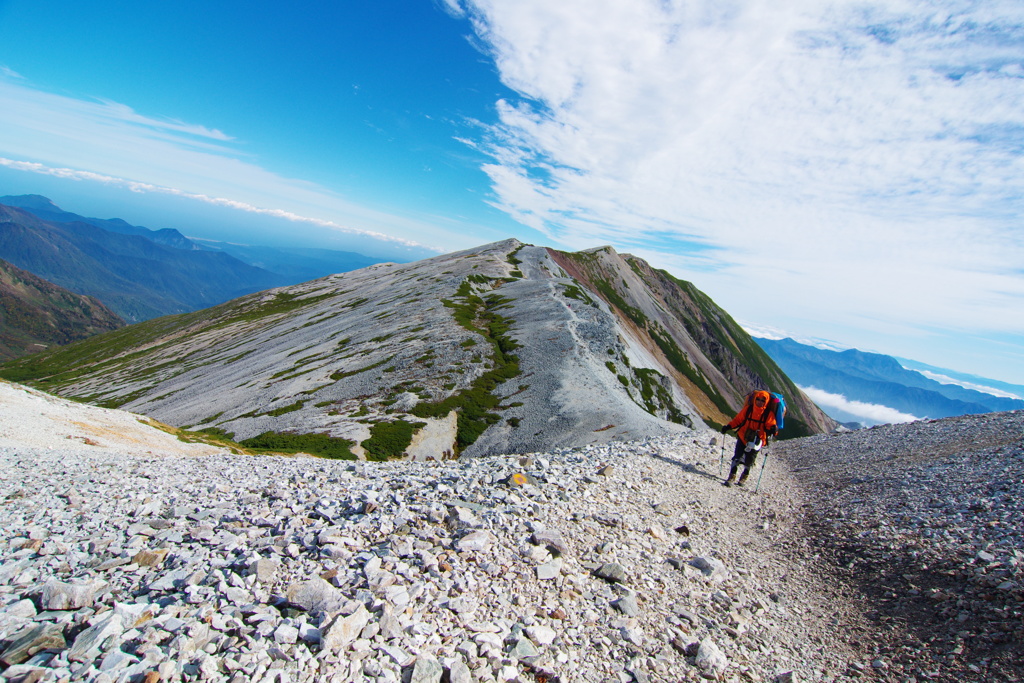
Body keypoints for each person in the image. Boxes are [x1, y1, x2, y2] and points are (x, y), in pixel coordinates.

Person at [720, 390, 778, 487]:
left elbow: (772, 428)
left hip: (757, 441)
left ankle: (744, 476)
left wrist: (773, 430)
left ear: (766, 402)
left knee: (749, 460)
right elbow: (738, 420)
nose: (759, 402)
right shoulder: (748, 409)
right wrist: (728, 426)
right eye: (758, 399)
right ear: (755, 399)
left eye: (762, 401)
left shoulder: (769, 414)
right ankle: (731, 476)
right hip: (743, 436)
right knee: (737, 456)